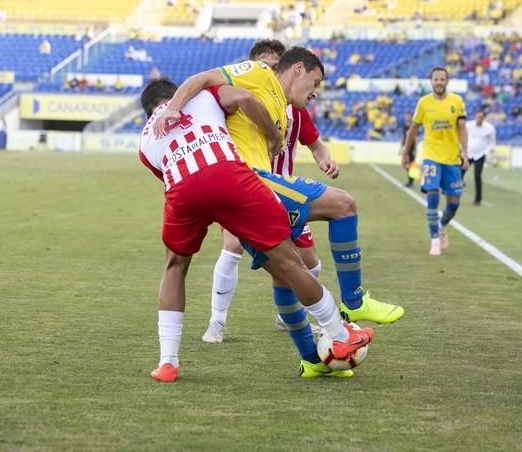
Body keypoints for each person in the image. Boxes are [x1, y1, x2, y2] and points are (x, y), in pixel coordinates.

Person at [155, 47, 404, 342]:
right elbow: (202, 78)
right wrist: (173, 106)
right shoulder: (259, 74)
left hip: (252, 192)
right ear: (298, 68)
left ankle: (312, 358)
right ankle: (355, 302)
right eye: (316, 82)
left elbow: (309, 140)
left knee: (287, 271)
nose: (316, 92)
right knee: (343, 205)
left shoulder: (286, 112)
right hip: (246, 181)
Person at [139, 78, 374, 383]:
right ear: (177, 93)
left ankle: (168, 362)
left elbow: (169, 175)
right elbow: (246, 98)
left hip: (183, 189)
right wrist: (274, 137)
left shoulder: (145, 141)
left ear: (148, 113)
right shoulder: (205, 95)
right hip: (229, 174)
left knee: (174, 266)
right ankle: (339, 333)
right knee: (288, 262)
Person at [203, 39, 340, 342]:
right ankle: (217, 321)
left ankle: (286, 313)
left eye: (275, 66)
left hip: (287, 193)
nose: (269, 71)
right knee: (233, 245)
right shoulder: (238, 101)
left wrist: (324, 158)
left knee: (310, 264)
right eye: (263, 65)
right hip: (246, 187)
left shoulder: (294, 109)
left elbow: (315, 144)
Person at [402, 67, 469, 256]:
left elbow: (462, 128)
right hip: (431, 156)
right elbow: (413, 129)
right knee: (432, 195)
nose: (439, 82)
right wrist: (406, 152)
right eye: (436, 79)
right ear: (431, 81)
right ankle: (434, 240)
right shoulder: (423, 103)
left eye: (442, 79)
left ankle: (441, 226)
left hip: (452, 158)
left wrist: (465, 152)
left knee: (454, 202)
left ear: (447, 81)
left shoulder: (457, 101)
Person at [464, 108, 496, 206]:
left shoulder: (490, 128)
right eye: (478, 117)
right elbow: (461, 136)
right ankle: (453, 193)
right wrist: (462, 150)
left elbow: (492, 143)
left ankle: (478, 199)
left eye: (481, 117)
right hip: (468, 154)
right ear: (475, 116)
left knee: (477, 176)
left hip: (480, 155)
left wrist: (485, 152)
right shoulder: (468, 125)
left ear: (483, 118)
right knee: (458, 173)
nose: (479, 119)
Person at [399, 111, 417, 188]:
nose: (407, 117)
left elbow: (415, 139)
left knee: (411, 165)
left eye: (409, 116)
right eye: (406, 116)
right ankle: (410, 181)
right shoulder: (404, 126)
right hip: (405, 147)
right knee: (406, 165)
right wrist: (401, 148)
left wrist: (415, 150)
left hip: (411, 148)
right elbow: (403, 138)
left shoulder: (413, 126)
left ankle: (411, 181)